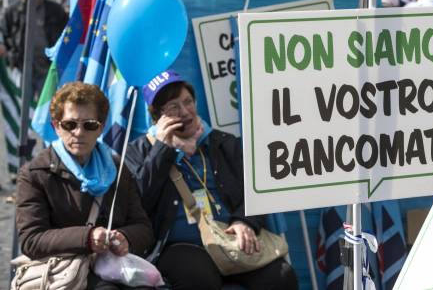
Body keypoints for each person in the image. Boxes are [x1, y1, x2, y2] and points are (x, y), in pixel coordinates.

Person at [125, 70, 298, 290]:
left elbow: (257, 189)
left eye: (188, 102)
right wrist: (163, 149)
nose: (185, 112)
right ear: (158, 117)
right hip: (181, 246)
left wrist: (244, 221)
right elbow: (139, 203)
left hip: (231, 239)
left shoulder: (223, 143)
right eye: (173, 108)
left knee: (281, 277)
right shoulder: (138, 151)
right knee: (199, 278)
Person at [15, 82, 155, 289]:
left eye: (89, 125)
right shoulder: (35, 174)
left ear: (101, 127)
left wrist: (126, 237)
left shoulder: (118, 168)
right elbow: (31, 239)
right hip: (63, 269)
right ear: (56, 126)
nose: (79, 133)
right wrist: (87, 237)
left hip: (114, 266)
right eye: (70, 125)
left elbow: (143, 227)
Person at [0, 0, 67, 98]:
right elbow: (3, 34)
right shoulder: (11, 12)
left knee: (49, 107)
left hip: (48, 70)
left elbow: (66, 35)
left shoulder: (55, 10)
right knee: (22, 107)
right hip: (21, 69)